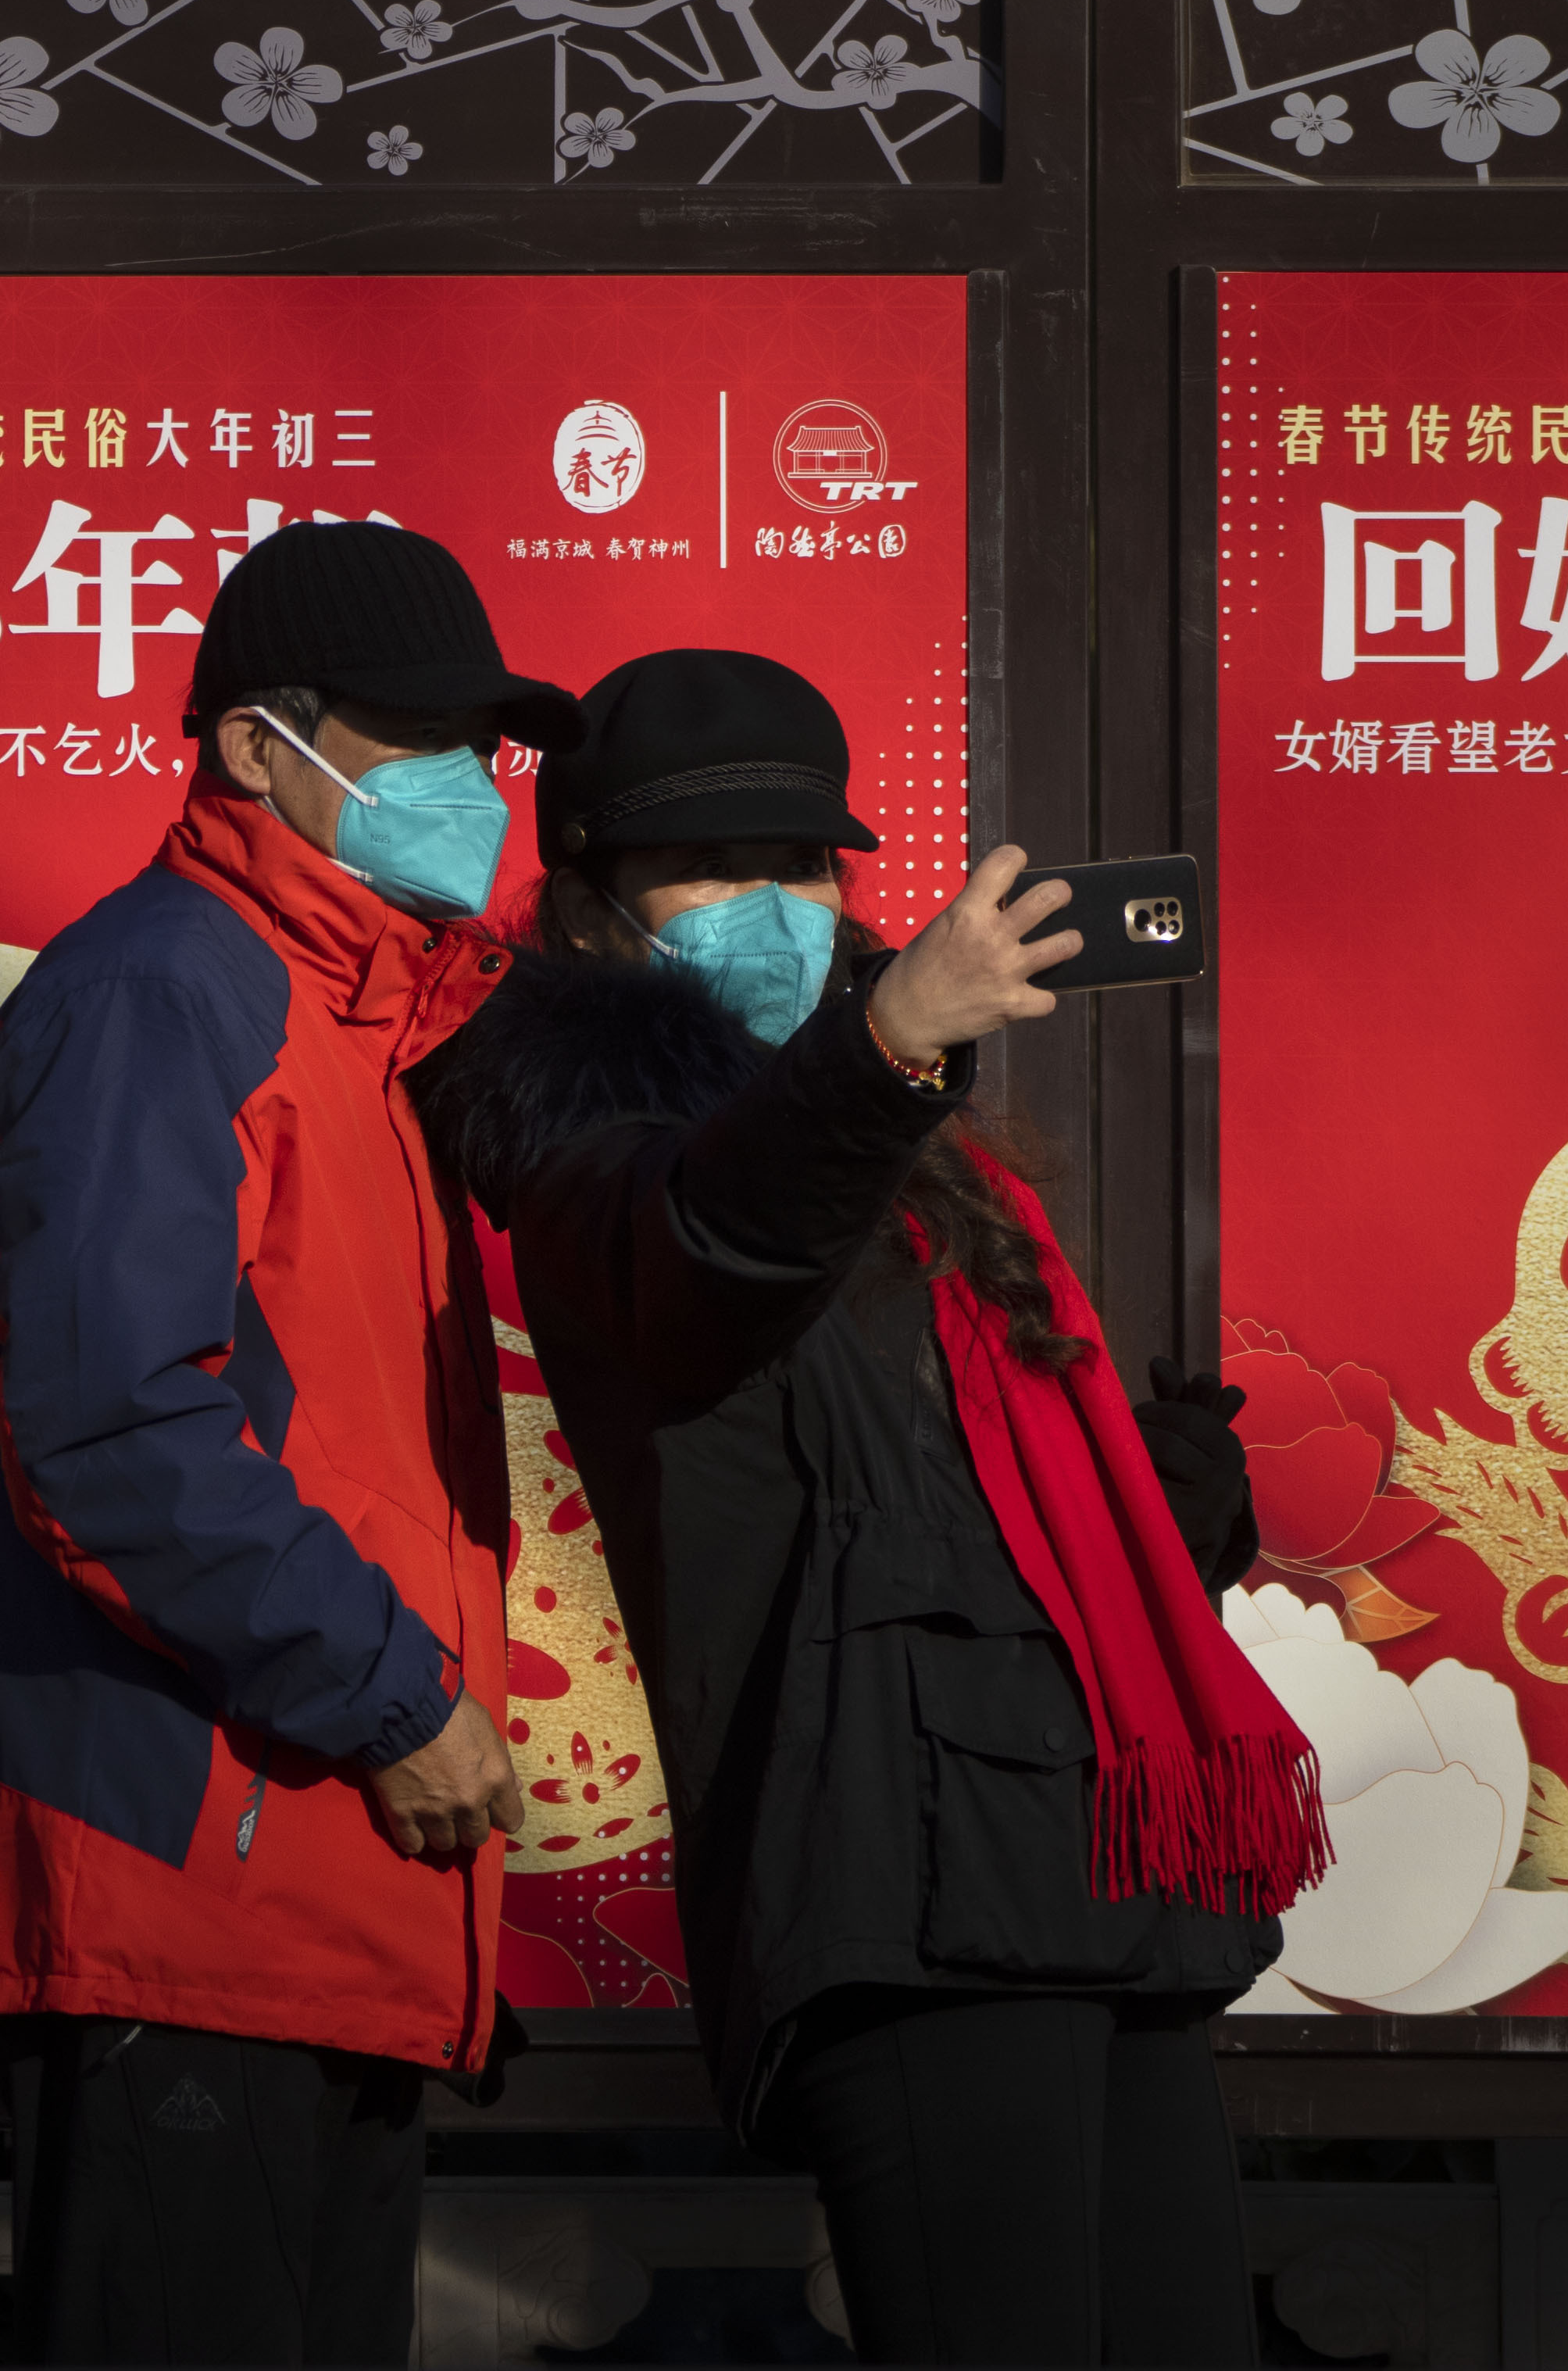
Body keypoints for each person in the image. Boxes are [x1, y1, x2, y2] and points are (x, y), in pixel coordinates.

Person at [409, 647, 1305, 2370]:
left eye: (808, 864)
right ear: (591, 912)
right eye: (716, 869)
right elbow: (715, 1256)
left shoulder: (913, 1143)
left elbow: (962, 1501)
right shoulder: (601, 1147)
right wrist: (888, 1042)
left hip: (1085, 1870)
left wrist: (1158, 1494)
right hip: (897, 1886)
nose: (777, 904)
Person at [0, 517, 572, 2369]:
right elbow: (112, 1421)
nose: (466, 787)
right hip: (186, 1877)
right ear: (256, 744)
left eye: (480, 747)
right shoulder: (169, 986)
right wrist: (392, 1700)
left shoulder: (368, 1021)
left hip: (313, 1881)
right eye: (410, 739)